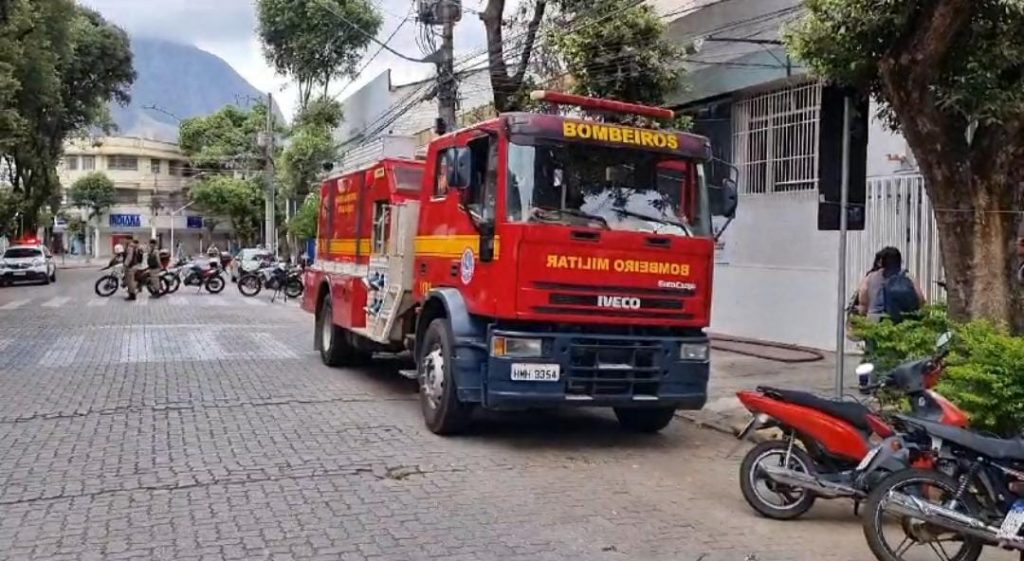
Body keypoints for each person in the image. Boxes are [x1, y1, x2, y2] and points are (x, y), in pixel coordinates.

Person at [857, 246, 925, 323]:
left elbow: (863, 300)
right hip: (903, 320)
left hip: (875, 320)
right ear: (899, 260)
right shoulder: (907, 276)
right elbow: (920, 299)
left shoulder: (870, 277)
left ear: (882, 261)